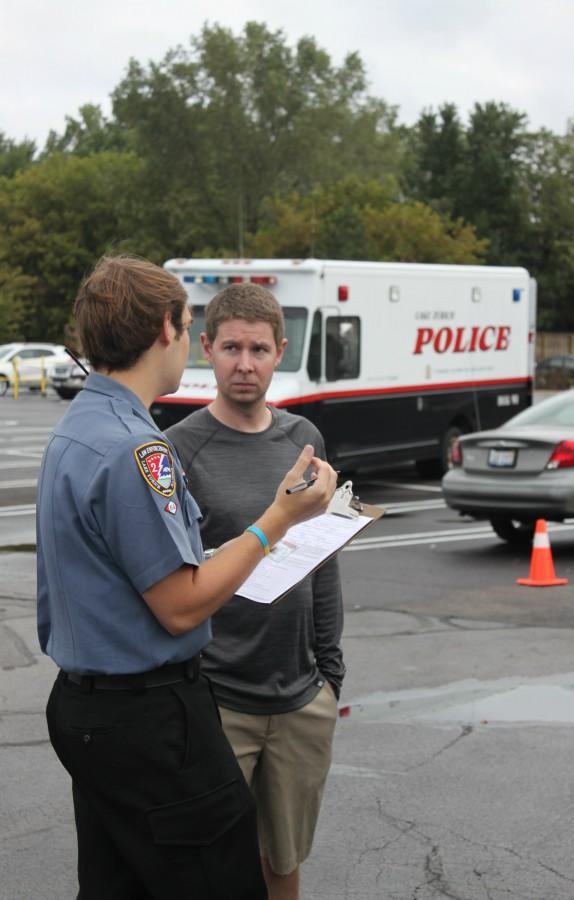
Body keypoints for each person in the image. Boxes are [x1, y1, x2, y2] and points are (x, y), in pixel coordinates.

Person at [36, 256, 337, 900]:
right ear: (168, 332)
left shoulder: (79, 427)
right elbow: (181, 605)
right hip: (148, 717)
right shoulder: (138, 449)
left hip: (87, 705)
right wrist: (277, 517)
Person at [167, 283, 345, 900]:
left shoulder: (305, 441)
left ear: (281, 352)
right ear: (205, 350)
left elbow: (322, 563)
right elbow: (172, 583)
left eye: (260, 349)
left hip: (300, 698)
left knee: (284, 865)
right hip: (218, 701)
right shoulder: (178, 450)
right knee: (215, 870)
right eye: (232, 348)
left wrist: (330, 672)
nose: (246, 364)